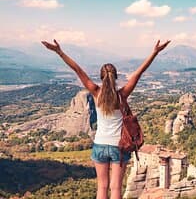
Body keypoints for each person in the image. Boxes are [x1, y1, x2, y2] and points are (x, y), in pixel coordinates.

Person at [42, 39, 170, 199]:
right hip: (119, 146)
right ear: (116, 77)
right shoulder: (122, 95)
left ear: (101, 77)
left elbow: (77, 70)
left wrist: (59, 52)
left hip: (100, 145)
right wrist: (155, 52)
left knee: (101, 187)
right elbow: (138, 73)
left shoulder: (96, 92)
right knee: (115, 188)